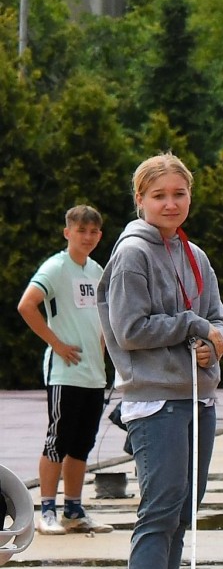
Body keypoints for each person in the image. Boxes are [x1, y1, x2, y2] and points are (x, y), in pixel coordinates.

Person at [96, 154, 223, 569]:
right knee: (159, 510)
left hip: (198, 396)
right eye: (159, 195)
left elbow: (218, 318)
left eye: (179, 194)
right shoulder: (132, 254)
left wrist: (213, 342)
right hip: (155, 400)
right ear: (140, 199)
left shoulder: (195, 255)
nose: (170, 203)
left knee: (183, 510)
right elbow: (129, 330)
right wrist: (193, 326)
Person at [17, 203, 113, 534]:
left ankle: (73, 510)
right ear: (67, 232)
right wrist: (56, 343)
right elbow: (27, 305)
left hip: (93, 374)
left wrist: (103, 352)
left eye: (93, 232)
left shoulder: (97, 270)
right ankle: (46, 511)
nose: (87, 237)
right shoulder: (56, 267)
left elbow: (103, 316)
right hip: (65, 371)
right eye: (81, 230)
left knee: (82, 443)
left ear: (100, 235)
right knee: (57, 440)